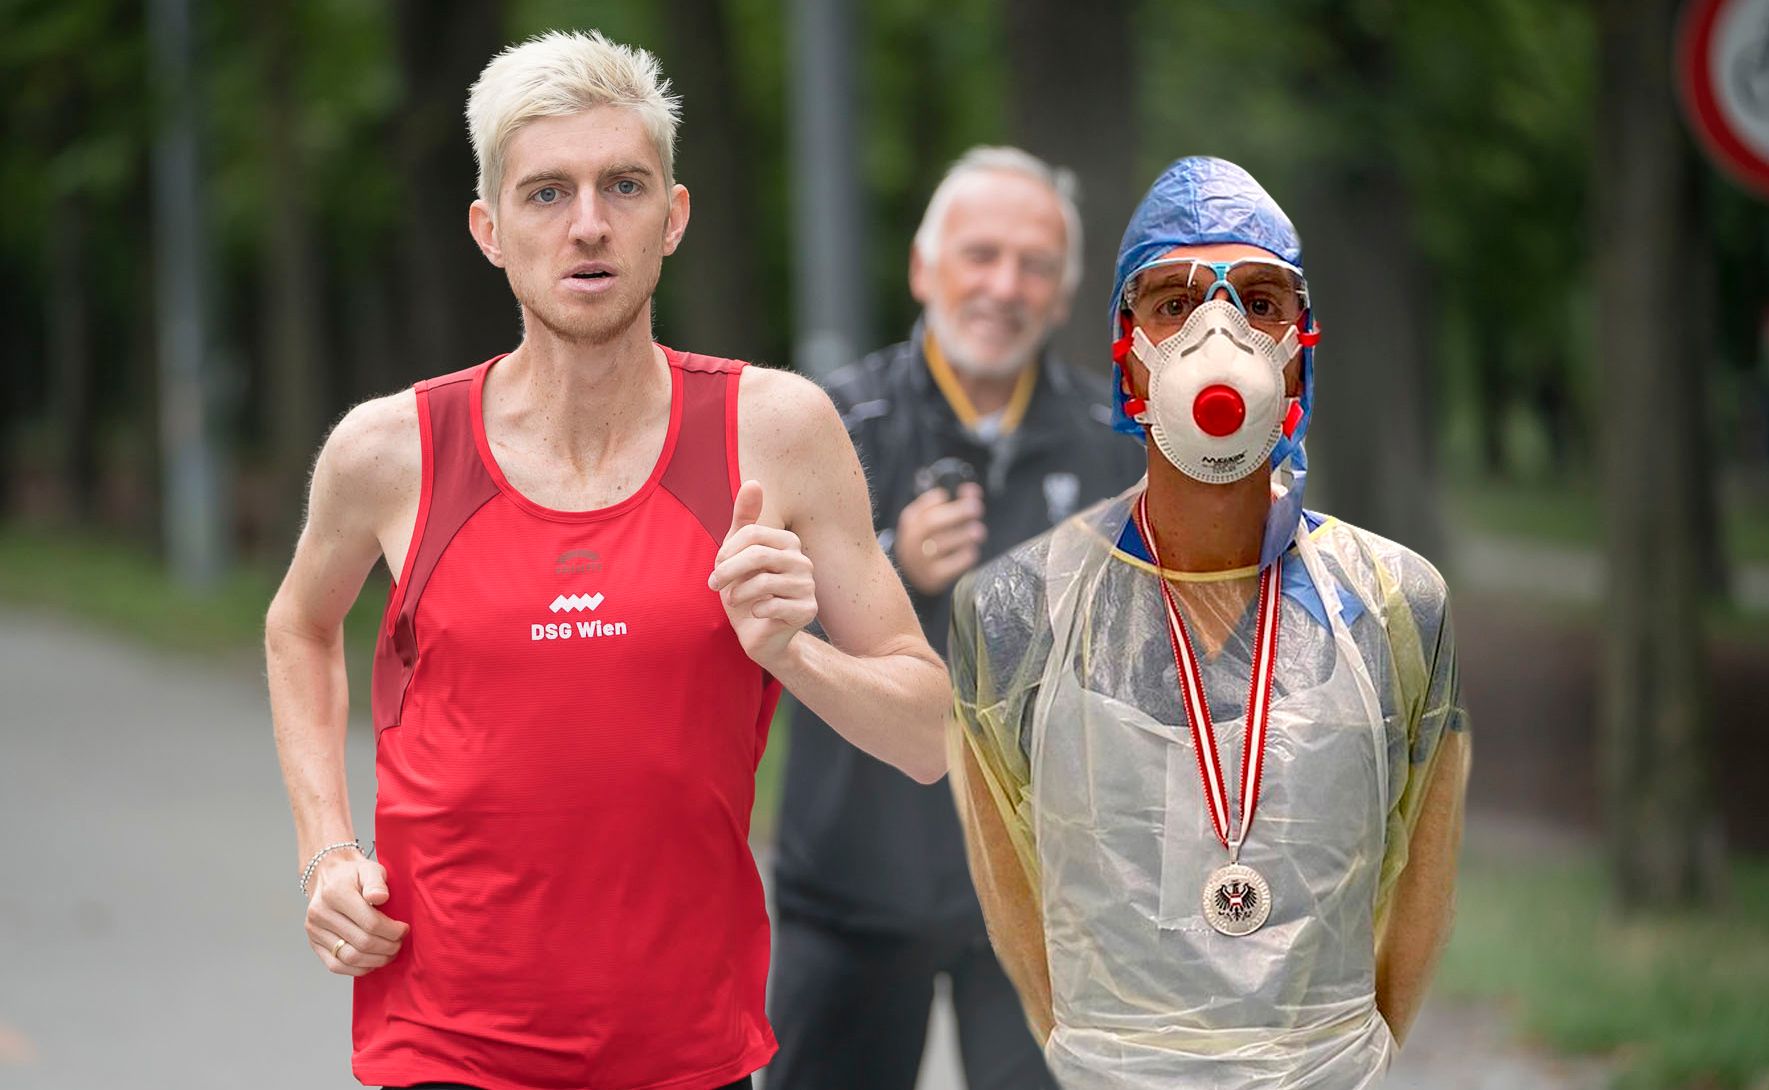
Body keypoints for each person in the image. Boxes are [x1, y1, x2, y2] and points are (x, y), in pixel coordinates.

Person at [264, 30, 949, 1090]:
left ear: (670, 217)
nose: (587, 225)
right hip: (444, 1036)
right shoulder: (390, 450)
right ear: (489, 231)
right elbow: (299, 625)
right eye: (546, 194)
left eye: (622, 186)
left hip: (684, 1047)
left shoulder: (773, 432)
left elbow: (925, 732)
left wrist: (789, 652)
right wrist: (327, 848)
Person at [947, 156, 1471, 1090]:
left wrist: (1344, 1057)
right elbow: (1013, 895)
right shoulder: (1018, 611)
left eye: (1259, 302)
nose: (1216, 333)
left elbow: (1421, 882)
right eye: (1172, 303)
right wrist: (1096, 1056)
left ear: (1301, 344)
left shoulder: (1394, 603)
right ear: (1126, 348)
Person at [768, 147, 1144, 1090]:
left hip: (1044, 902)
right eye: (979, 255)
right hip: (851, 887)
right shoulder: (825, 426)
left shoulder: (1121, 451)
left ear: (1063, 296)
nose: (1003, 286)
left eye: (1035, 266)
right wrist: (891, 563)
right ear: (923, 269)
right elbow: (741, 621)